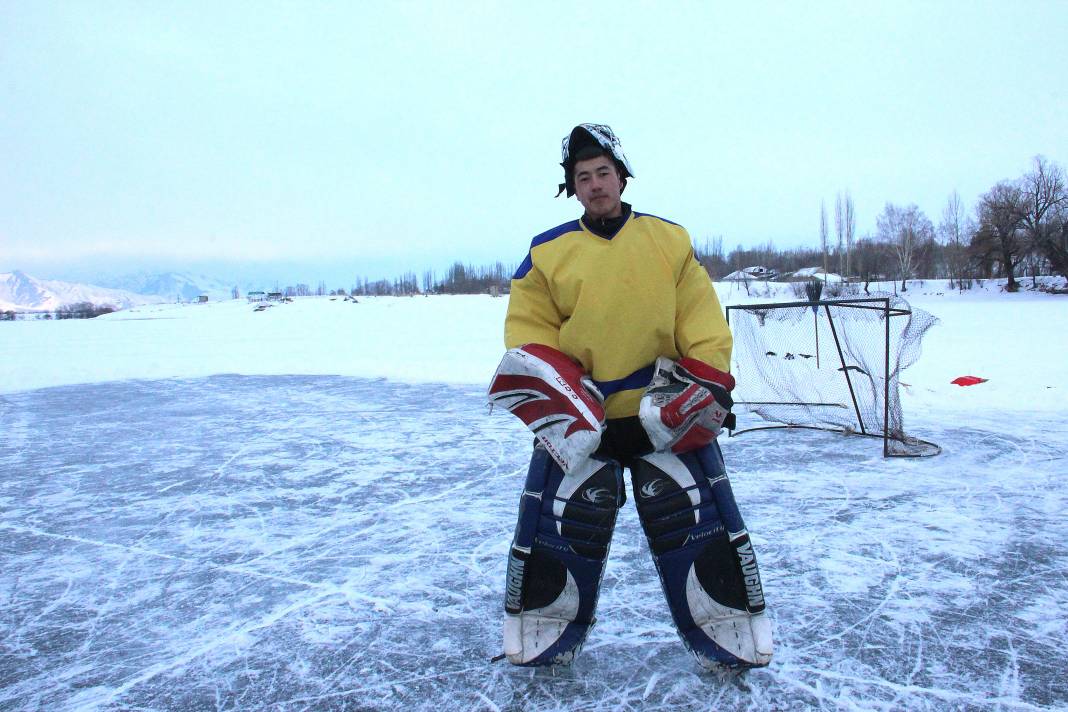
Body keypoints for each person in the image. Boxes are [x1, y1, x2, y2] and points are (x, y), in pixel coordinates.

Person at [488, 124, 772, 670]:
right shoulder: (548, 253)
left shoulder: (668, 240)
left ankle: (727, 636)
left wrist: (704, 390)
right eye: (582, 177)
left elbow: (703, 326)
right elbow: (529, 336)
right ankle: (545, 637)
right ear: (573, 188)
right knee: (559, 538)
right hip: (583, 423)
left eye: (603, 173)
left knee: (699, 527)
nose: (595, 185)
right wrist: (568, 411)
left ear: (621, 176)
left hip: (665, 417)